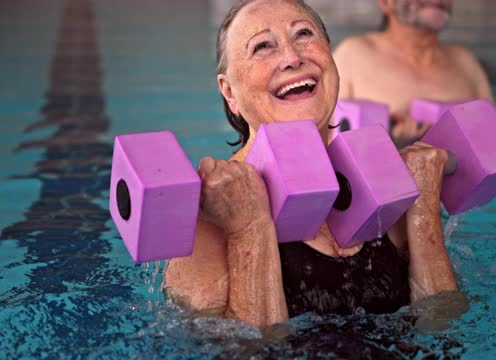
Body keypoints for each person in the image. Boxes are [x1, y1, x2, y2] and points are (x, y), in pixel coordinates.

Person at [164, 0, 458, 329]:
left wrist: (424, 214)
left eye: (304, 34)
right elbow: (236, 351)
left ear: (330, 58)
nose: (292, 57)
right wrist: (249, 230)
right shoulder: (211, 211)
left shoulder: (380, 183)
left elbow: (442, 326)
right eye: (262, 46)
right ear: (229, 92)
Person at [333, 0, 496, 148]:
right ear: (386, 2)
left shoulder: (465, 62)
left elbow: (494, 152)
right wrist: (395, 144)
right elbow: (325, 148)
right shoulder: (353, 55)